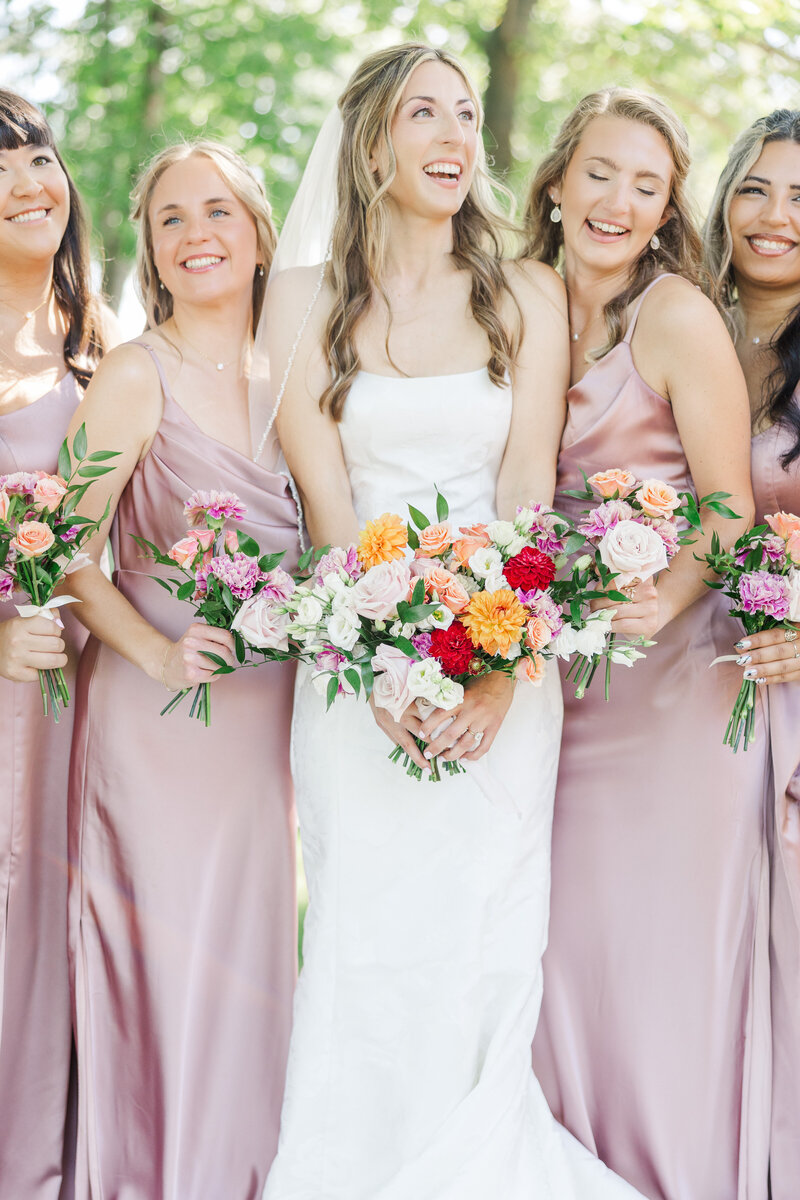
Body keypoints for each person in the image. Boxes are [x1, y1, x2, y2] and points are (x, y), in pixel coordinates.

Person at [258, 43, 645, 1200]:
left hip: (501, 670)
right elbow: (330, 512)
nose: (451, 136)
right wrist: (375, 670)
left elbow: (530, 485)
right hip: (351, 665)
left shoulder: (522, 290)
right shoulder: (300, 297)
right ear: (369, 139)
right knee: (365, 939)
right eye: (422, 112)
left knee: (479, 937)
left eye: (465, 116)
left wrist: (498, 671)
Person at [523, 88, 766, 1200]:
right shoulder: (513, 304)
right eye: (600, 174)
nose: (617, 201)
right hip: (547, 686)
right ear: (557, 182)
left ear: (668, 209)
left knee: (655, 959)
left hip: (669, 689)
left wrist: (658, 605)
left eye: (647, 184)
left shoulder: (673, 316)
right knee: (555, 953)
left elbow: (726, 511)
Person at [65, 141, 299, 1199]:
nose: (195, 234)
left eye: (217, 212)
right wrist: (157, 648)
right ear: (152, 251)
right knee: (163, 968)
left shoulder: (301, 374)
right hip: (155, 723)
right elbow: (60, 548)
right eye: (169, 219)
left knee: (250, 971)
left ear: (258, 235)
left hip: (264, 733)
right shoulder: (132, 371)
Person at [0, 88, 113, 1199]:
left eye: (35, 156)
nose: (28, 182)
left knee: (69, 925)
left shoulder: (105, 346)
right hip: (5, 693)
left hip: (91, 694)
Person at [705, 108, 800, 1200]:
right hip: (662, 692)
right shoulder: (674, 324)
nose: (774, 219)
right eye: (756, 189)